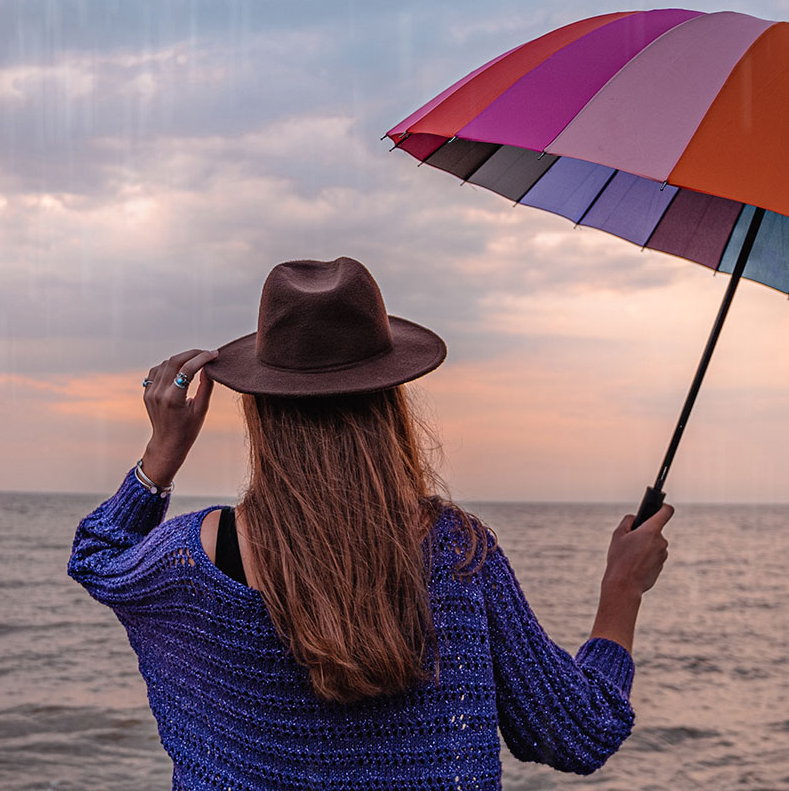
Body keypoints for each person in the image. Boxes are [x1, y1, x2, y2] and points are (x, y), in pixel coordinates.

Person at [69, 256, 673, 790]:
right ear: (391, 402)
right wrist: (621, 590)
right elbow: (577, 732)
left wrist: (163, 455)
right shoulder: (457, 553)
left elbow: (97, 556)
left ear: (259, 408)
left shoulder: (191, 558)